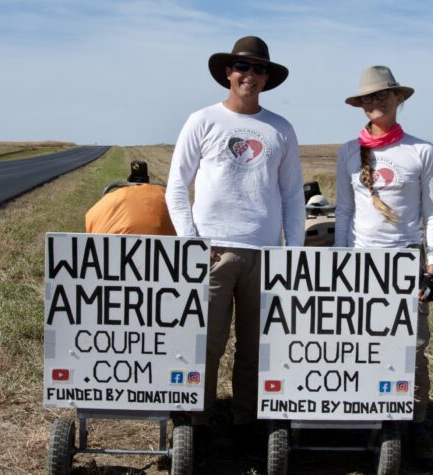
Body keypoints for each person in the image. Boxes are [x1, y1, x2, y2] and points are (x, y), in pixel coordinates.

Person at [165, 36, 305, 458]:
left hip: (265, 254)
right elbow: (176, 186)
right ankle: (198, 422)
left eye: (259, 69)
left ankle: (248, 421)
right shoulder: (202, 120)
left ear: (267, 78)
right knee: (205, 342)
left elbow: (293, 195)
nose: (250, 75)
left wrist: (292, 254)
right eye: (242, 67)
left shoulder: (281, 128)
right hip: (212, 252)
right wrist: (192, 243)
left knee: (257, 345)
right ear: (228, 72)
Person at [334, 65, 433, 469]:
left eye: (383, 95)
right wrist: (341, 262)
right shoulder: (348, 151)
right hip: (360, 265)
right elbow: (344, 211)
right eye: (367, 97)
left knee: (412, 350)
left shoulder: (421, 151)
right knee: (361, 344)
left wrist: (432, 268)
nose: (375, 102)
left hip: (405, 265)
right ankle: (367, 419)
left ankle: (415, 427)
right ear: (360, 105)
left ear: (399, 99)